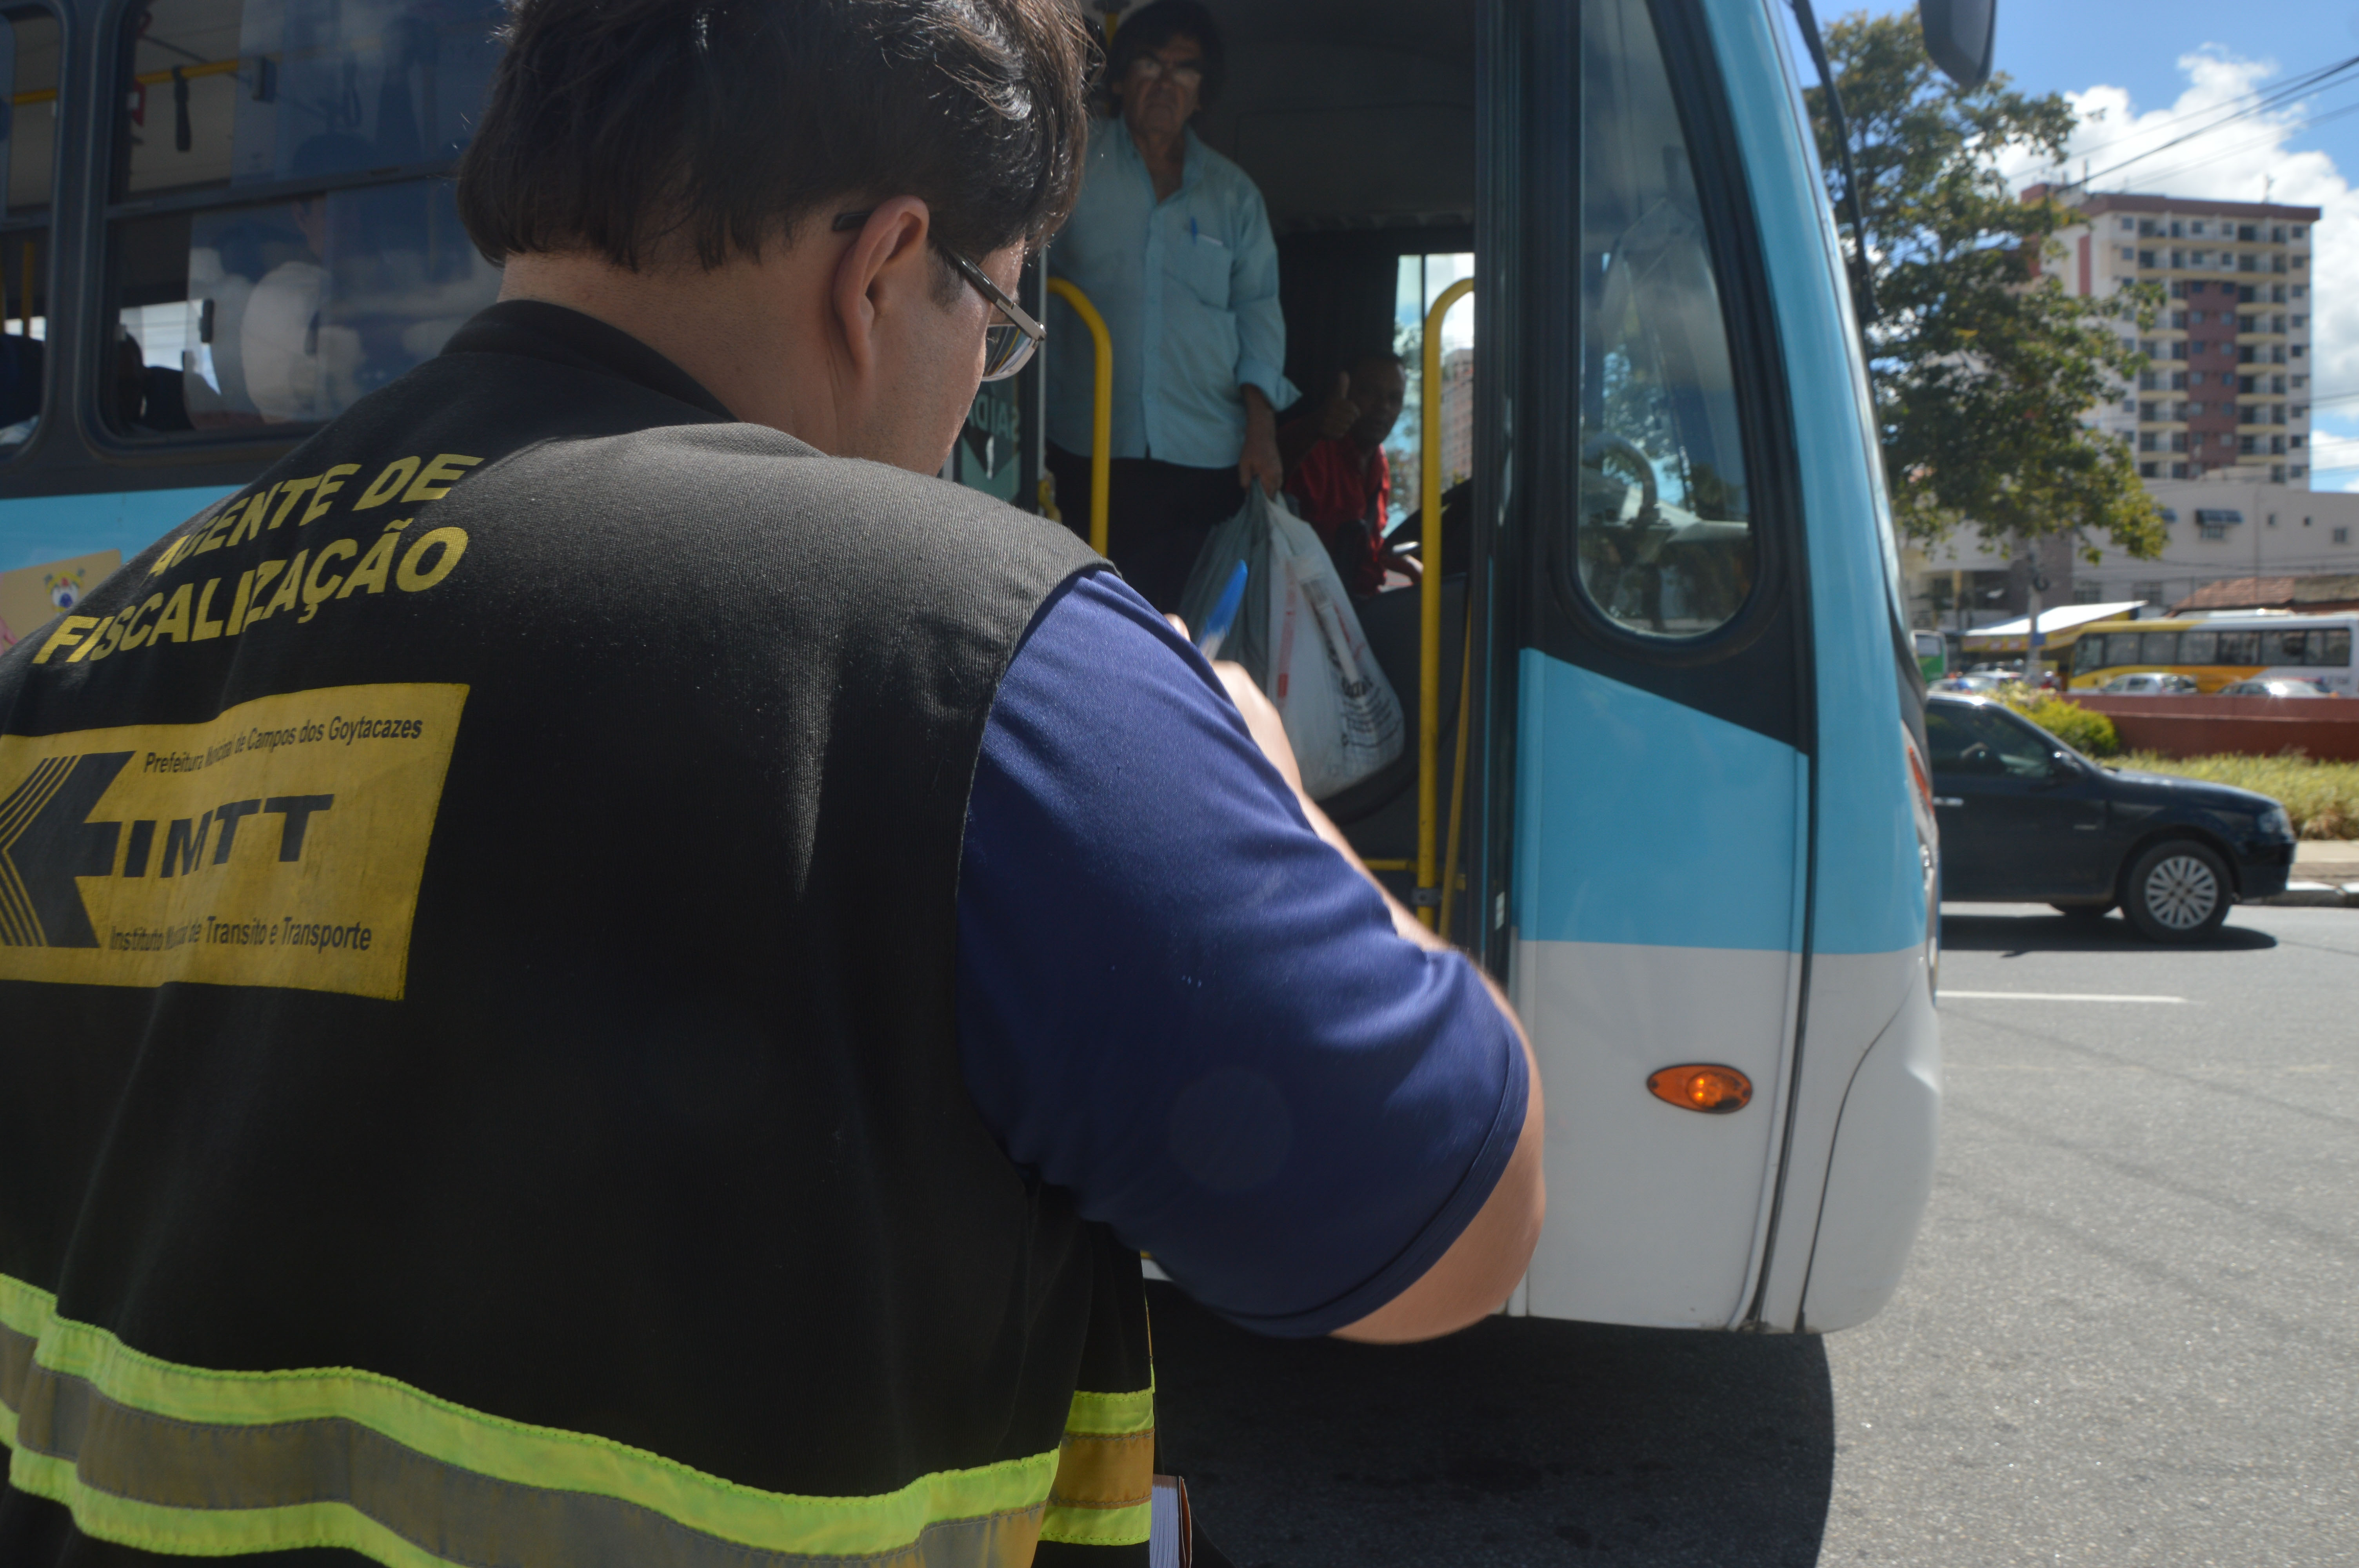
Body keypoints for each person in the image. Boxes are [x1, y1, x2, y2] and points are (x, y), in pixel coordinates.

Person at [0, 2, 1541, 1566]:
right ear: (881, 272)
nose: (978, 396)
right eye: (1001, 328)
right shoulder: (979, 653)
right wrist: (1274, 797)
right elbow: (1454, 1223)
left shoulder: (77, 669)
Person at [1045, 0, 1298, 612]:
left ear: (1202, 92)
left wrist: (1261, 432)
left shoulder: (1235, 196)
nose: (1165, 83)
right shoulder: (1072, 164)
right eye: (1150, 64)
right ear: (1121, 77)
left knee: (1190, 630)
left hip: (1205, 455)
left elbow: (1259, 312)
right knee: (1092, 626)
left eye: (1184, 70)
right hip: (1086, 446)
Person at [1280, 351, 1416, 599]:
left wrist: (1408, 565)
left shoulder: (1380, 464)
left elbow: (1369, 548)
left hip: (1361, 606)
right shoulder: (1310, 445)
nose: (1384, 407)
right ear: (1347, 391)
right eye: (1370, 392)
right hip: (1305, 605)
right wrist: (1314, 427)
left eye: (1395, 398)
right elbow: (1271, 471)